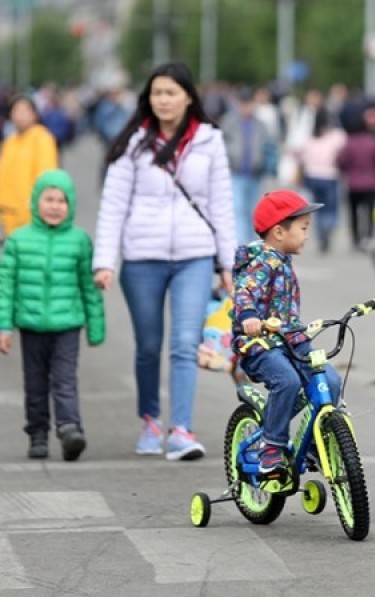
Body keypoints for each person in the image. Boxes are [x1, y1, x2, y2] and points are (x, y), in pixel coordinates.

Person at [93, 62, 236, 461]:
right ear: (148, 99)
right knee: (148, 346)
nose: (164, 100)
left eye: (171, 92)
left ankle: (181, 431)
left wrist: (228, 264)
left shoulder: (209, 141)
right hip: (142, 258)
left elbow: (222, 206)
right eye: (157, 93)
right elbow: (113, 206)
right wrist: (105, 261)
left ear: (188, 96)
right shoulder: (134, 143)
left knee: (184, 343)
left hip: (194, 255)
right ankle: (150, 421)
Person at [231, 190, 341, 476]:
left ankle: (318, 444)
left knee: (329, 379)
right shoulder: (262, 262)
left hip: (290, 341)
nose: (307, 235)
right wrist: (249, 316)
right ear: (279, 231)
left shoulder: (282, 261)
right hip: (259, 345)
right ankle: (271, 446)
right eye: (303, 229)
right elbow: (244, 291)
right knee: (287, 381)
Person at [0, 169, 105, 460]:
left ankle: (70, 428)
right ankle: (37, 434)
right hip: (31, 325)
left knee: (65, 380)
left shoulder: (79, 241)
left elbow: (89, 287)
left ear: (70, 205)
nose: (55, 206)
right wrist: (3, 327)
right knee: (34, 383)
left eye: (62, 200)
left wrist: (96, 326)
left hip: (67, 326)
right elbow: (5, 287)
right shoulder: (18, 241)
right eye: (48, 199)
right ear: (35, 202)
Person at [221, 88, 275, 244]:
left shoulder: (260, 124)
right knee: (237, 207)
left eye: (249, 103)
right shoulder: (229, 122)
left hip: (255, 173)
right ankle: (241, 240)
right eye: (243, 104)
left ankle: (251, 239)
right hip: (235, 172)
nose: (246, 107)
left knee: (252, 208)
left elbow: (268, 145)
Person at [0, 96, 58, 237]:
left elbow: (47, 177)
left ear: (34, 114)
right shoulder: (10, 141)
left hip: (30, 214)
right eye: (16, 111)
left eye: (24, 111)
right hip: (7, 214)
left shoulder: (42, 138)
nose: (20, 116)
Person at [297, 109, 347, 253]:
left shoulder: (310, 139)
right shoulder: (335, 137)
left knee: (318, 209)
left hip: (312, 176)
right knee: (331, 208)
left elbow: (301, 157)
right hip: (330, 176)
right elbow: (343, 144)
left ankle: (321, 234)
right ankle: (327, 229)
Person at [337, 111, 375, 252]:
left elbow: (342, 161)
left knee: (353, 212)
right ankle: (368, 236)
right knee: (370, 211)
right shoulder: (374, 142)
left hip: (353, 183)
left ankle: (356, 238)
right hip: (371, 182)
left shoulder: (349, 143)